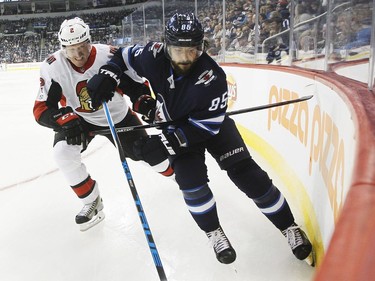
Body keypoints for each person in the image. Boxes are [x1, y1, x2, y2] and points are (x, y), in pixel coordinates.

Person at [87, 13, 314, 266]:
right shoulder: (152, 55)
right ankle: (213, 232)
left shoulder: (213, 77)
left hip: (211, 129)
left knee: (249, 176)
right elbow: (122, 56)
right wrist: (110, 73)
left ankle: (288, 227)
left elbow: (204, 128)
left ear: (201, 47)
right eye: (178, 51)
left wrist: (163, 145)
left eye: (192, 51)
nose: (185, 59)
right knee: (191, 185)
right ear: (165, 45)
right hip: (176, 127)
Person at [33, 17, 173, 231]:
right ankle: (92, 202)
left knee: (149, 154)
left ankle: (182, 178)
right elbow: (41, 109)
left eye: (82, 47)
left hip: (118, 118)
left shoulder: (108, 55)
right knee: (63, 153)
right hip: (80, 121)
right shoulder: (52, 67)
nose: (78, 55)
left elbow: (136, 86)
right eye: (71, 50)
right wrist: (61, 120)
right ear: (63, 48)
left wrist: (143, 102)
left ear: (90, 41)